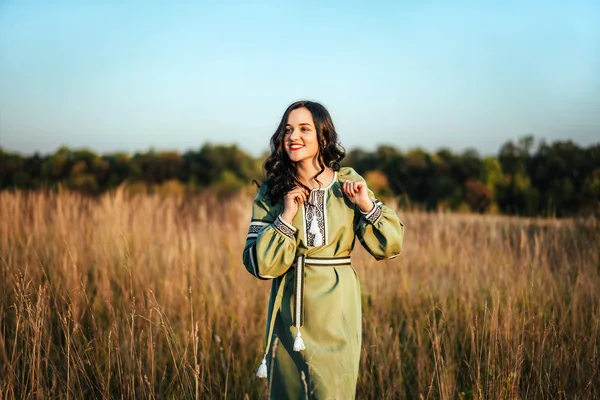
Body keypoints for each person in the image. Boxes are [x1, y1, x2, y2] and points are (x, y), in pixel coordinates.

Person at [242, 100, 404, 399]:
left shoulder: (348, 183)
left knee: (333, 391)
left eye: (305, 129)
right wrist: (286, 215)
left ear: (323, 137)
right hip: (290, 309)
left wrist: (365, 204)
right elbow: (259, 264)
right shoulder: (273, 191)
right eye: (288, 129)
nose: (294, 136)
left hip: (337, 308)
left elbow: (390, 245)